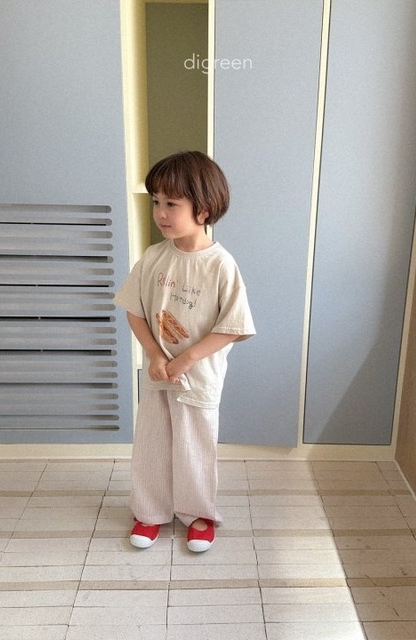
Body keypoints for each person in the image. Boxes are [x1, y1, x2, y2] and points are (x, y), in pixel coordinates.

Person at [115, 151, 255, 552]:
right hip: (159, 375)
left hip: (199, 378)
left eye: (172, 204)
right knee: (152, 443)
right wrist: (156, 356)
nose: (160, 213)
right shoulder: (154, 257)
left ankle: (198, 514)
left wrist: (186, 359)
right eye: (156, 201)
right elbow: (134, 310)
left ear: (203, 209)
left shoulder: (221, 265)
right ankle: (150, 511)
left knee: (195, 446)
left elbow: (232, 326)